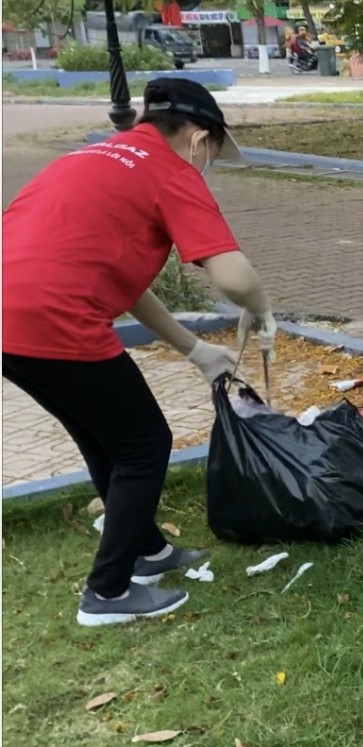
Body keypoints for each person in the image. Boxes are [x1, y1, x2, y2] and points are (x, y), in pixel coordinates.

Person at [2, 78, 278, 628]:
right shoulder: (169, 171)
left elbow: (123, 281)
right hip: (56, 317)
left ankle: (148, 552)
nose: (209, 165)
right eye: (215, 154)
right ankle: (106, 593)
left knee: (106, 438)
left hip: (10, 314)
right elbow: (231, 273)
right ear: (200, 138)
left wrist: (196, 350)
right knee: (145, 444)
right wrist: (261, 305)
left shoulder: (94, 158)